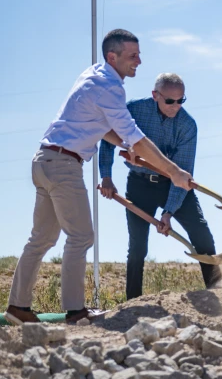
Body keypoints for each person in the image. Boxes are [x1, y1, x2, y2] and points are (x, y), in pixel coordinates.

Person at [5, 29, 193, 325]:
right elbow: (136, 135)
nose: (139, 61)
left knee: (40, 239)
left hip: (44, 160)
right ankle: (76, 313)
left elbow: (101, 126)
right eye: (133, 55)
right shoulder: (110, 87)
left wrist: (129, 147)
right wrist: (174, 171)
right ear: (112, 56)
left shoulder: (93, 74)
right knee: (81, 236)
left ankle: (17, 309)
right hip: (63, 165)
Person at [98, 73, 220, 299]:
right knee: (137, 247)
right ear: (155, 95)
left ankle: (218, 294)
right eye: (170, 101)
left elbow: (181, 172)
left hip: (174, 186)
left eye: (181, 100)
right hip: (139, 185)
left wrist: (168, 212)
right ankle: (133, 302)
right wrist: (106, 175)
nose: (176, 106)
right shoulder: (133, 110)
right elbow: (107, 137)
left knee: (202, 236)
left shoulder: (188, 125)